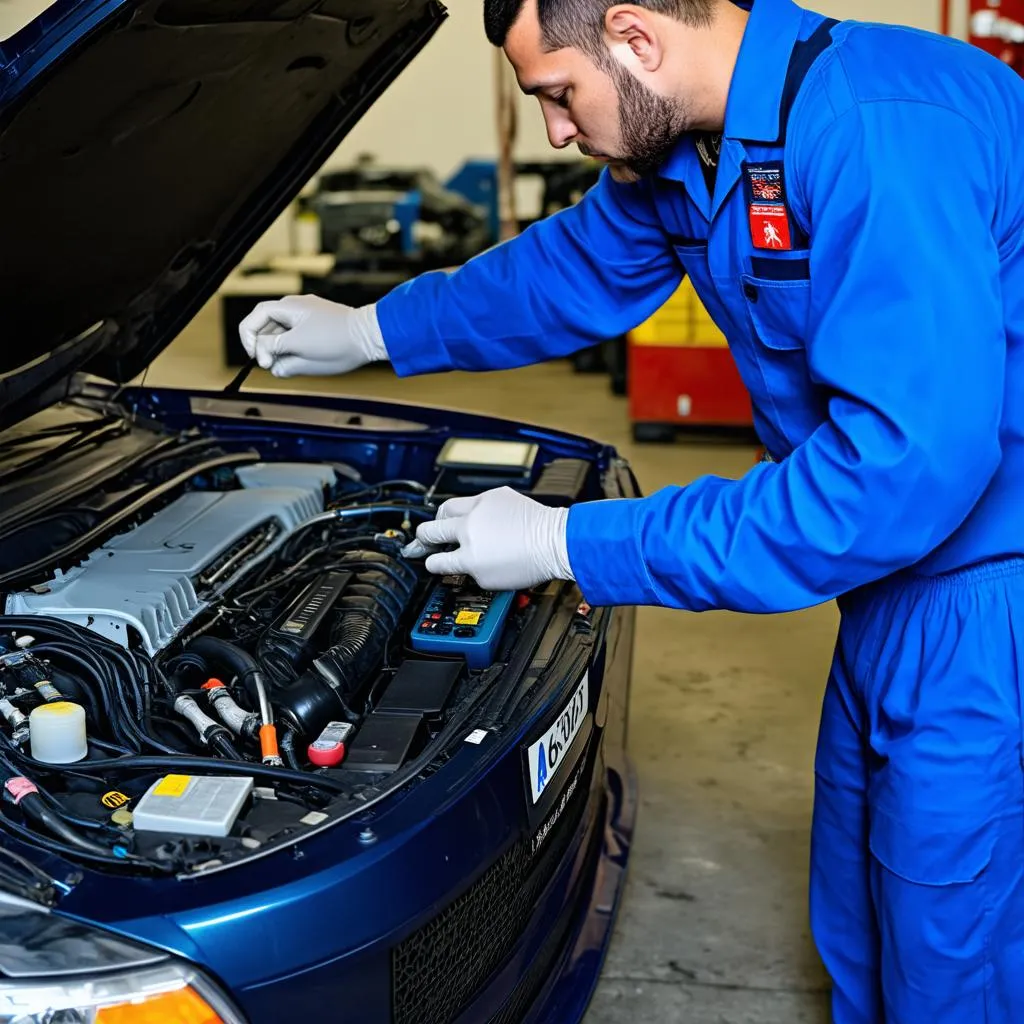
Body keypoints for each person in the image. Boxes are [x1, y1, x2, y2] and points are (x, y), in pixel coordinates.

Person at [239, 0, 1024, 1019]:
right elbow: (566, 269)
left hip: (987, 595)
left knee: (949, 943)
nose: (557, 132)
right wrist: (371, 326)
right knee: (860, 900)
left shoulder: (881, 127)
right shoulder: (702, 145)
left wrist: (570, 539)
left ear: (636, 37)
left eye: (559, 96)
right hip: (893, 588)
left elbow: (889, 477)